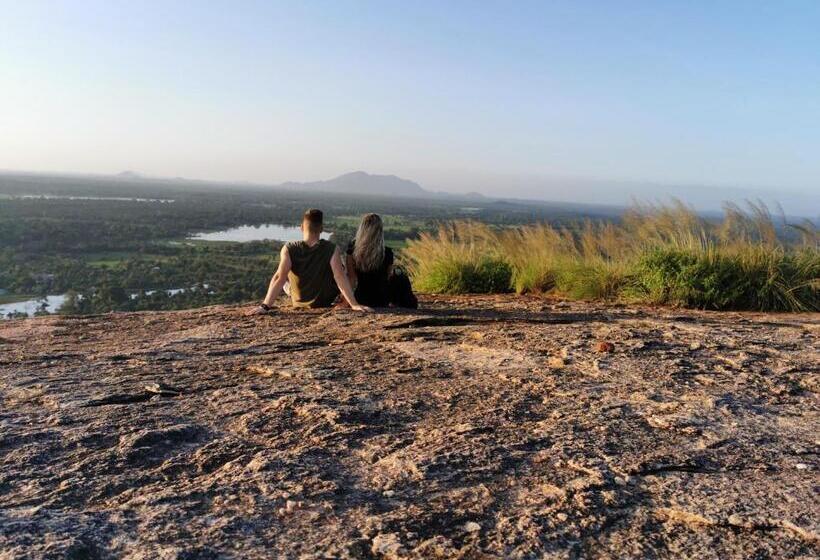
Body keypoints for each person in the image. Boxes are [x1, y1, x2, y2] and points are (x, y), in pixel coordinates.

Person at [252, 209, 372, 314]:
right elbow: (339, 277)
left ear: (301, 227)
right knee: (341, 269)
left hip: (298, 301)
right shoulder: (331, 249)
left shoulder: (289, 248)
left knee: (282, 275)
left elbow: (279, 278)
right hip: (323, 301)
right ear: (321, 229)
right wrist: (354, 304)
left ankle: (291, 292)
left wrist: (265, 306)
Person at [346, 213, 418, 308]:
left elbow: (351, 279)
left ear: (362, 229)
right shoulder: (387, 253)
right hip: (382, 300)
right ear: (380, 230)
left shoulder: (352, 250)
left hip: (361, 298)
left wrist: (346, 301)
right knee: (401, 276)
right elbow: (388, 277)